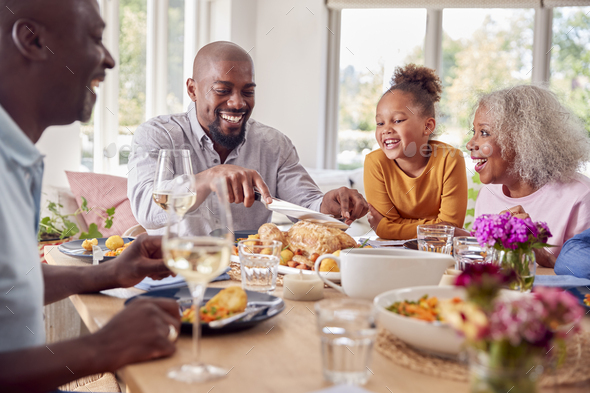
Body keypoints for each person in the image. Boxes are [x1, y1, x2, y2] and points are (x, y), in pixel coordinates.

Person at [0, 1, 180, 391]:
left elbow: (10, 286)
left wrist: (109, 273)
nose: (110, 60)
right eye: (96, 38)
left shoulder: (15, 159)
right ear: (32, 40)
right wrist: (102, 348)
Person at [127, 41, 368, 236]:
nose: (238, 103)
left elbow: (307, 208)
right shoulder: (158, 135)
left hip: (250, 276)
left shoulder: (274, 144)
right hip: (174, 273)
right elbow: (146, 209)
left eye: (248, 92)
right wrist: (209, 178)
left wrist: (330, 205)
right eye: (222, 90)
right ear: (193, 90)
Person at [466, 85, 590, 268]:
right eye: (473, 132)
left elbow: (584, 281)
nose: (470, 144)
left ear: (522, 140)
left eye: (484, 132)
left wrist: (541, 253)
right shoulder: (488, 193)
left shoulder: (579, 195)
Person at [364, 64, 468, 240]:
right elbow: (382, 229)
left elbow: (450, 228)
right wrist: (436, 226)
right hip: (391, 255)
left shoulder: (450, 160)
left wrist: (390, 228)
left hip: (438, 254)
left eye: (397, 120)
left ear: (427, 126)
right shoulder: (375, 163)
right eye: (380, 123)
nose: (386, 129)